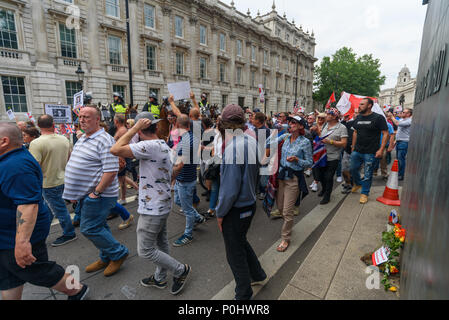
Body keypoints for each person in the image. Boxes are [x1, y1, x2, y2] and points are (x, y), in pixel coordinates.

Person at [0, 123, 88, 300]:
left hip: (15, 236)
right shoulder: (9, 160)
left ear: (4, 141)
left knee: (38, 270)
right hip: (6, 236)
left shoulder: (15, 166)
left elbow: (27, 205)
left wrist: (22, 242)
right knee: (8, 276)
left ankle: (77, 290)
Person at [110, 114, 191, 295]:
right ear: (155, 127)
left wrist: (133, 128)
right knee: (161, 243)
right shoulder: (163, 145)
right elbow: (173, 173)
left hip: (153, 207)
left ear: (140, 130)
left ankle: (180, 270)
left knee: (145, 250)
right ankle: (160, 277)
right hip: (162, 203)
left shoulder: (148, 146)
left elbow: (115, 149)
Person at [63, 105, 129, 277]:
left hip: (99, 196)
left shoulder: (105, 140)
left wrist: (96, 193)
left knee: (89, 228)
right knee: (100, 226)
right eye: (80, 117)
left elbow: (111, 170)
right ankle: (106, 256)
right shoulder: (84, 138)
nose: (82, 120)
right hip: (86, 194)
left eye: (87, 117)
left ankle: (118, 253)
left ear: (98, 119)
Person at [215, 104, 267, 301]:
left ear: (224, 123)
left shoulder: (233, 146)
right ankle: (258, 274)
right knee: (240, 242)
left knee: (234, 253)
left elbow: (229, 191)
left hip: (236, 208)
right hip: (249, 203)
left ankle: (244, 295)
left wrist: (220, 213)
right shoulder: (250, 139)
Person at [29, 115, 76, 247]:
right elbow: (69, 158)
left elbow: (35, 166)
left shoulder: (36, 143)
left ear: (38, 126)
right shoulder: (64, 139)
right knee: (50, 208)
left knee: (59, 210)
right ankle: (42, 232)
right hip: (62, 178)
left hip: (48, 182)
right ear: (53, 124)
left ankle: (69, 233)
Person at [267, 116, 313, 252]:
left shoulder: (305, 142)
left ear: (300, 127)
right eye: (290, 122)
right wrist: (277, 132)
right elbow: (268, 144)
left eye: (294, 123)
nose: (290, 124)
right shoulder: (285, 136)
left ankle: (285, 238)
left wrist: (297, 159)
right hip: (281, 177)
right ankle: (287, 226)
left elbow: (309, 162)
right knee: (280, 208)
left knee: (287, 211)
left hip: (294, 179)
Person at [171, 115, 206, 247]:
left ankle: (188, 234)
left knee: (187, 210)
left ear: (178, 125)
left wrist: (170, 177)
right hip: (186, 178)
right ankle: (198, 217)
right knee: (178, 201)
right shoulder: (190, 137)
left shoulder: (187, 140)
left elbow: (180, 165)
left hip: (185, 179)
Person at [350, 98, 389, 204]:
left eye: (362, 104)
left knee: (368, 174)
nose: (359, 106)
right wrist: (353, 146)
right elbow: (355, 132)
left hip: (371, 151)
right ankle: (358, 183)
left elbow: (385, 133)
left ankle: (364, 193)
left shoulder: (378, 118)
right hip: (357, 150)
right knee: (352, 169)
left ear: (369, 105)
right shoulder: (358, 117)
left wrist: (381, 149)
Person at [316, 108, 348, 205]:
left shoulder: (342, 128)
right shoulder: (325, 125)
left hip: (333, 156)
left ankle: (327, 196)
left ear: (334, 117)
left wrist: (330, 142)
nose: (326, 115)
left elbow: (344, 144)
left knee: (328, 177)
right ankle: (324, 189)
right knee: (320, 176)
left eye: (328, 114)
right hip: (322, 155)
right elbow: (322, 136)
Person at [114, 115, 138, 205]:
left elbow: (125, 144)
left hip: (122, 157)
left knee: (122, 179)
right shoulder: (121, 130)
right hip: (120, 156)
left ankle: (123, 198)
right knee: (122, 178)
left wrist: (122, 157)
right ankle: (137, 189)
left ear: (116, 121)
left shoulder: (123, 130)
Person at [388, 108, 413, 181]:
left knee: (401, 159)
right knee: (398, 159)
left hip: (404, 142)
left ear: (408, 114)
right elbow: (399, 131)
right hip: (399, 141)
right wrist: (395, 141)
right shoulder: (402, 120)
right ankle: (398, 173)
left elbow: (397, 123)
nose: (401, 113)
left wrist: (392, 116)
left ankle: (401, 175)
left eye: (404, 112)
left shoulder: (409, 121)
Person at [252, 112, 271, 200]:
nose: (252, 120)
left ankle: (263, 191)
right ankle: (257, 190)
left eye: (253, 118)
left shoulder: (265, 130)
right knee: (256, 174)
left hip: (263, 156)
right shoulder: (254, 129)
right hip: (255, 155)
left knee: (263, 175)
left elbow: (267, 145)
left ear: (258, 121)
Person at [309, 113, 326, 192]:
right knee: (314, 166)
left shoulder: (326, 127)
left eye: (322, 119)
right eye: (319, 118)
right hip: (313, 148)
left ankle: (316, 182)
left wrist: (318, 131)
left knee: (318, 166)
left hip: (321, 150)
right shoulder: (314, 126)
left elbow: (323, 137)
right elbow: (310, 137)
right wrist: (311, 130)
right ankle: (315, 180)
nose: (320, 120)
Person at [340, 113, 356, 194]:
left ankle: (350, 184)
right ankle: (347, 182)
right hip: (347, 150)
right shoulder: (349, 123)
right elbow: (342, 128)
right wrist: (343, 119)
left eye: (358, 112)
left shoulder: (364, 125)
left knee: (352, 170)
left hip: (357, 152)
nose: (356, 114)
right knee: (344, 169)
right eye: (355, 112)